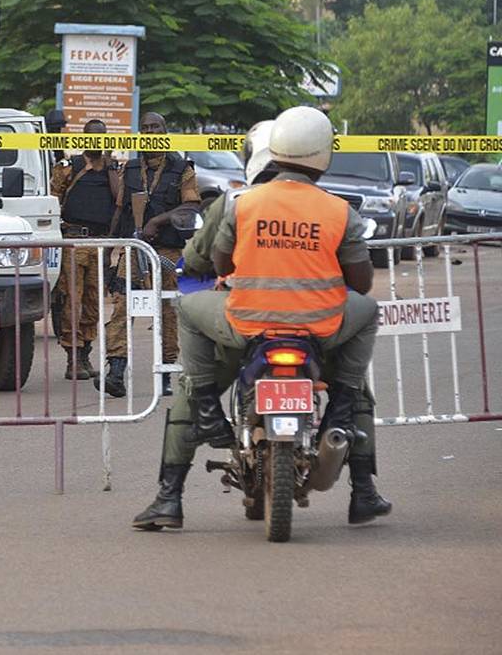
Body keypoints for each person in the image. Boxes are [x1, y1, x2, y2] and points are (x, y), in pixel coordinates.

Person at [133, 107, 392, 530]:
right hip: (318, 332)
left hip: (242, 330)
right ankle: (363, 490)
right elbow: (360, 283)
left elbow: (207, 260)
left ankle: (170, 496)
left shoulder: (238, 203)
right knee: (355, 388)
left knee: (188, 392)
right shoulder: (337, 209)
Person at [101, 112, 200, 397]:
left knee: (167, 311)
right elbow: (120, 209)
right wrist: (110, 248)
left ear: (165, 131)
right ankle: (116, 370)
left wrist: (158, 221)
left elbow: (191, 207)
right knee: (122, 305)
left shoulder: (182, 169)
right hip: (134, 250)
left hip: (167, 250)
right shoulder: (131, 169)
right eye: (144, 128)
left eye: (155, 127)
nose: (149, 132)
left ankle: (167, 371)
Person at [50, 118, 121, 380]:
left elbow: (119, 199)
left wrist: (111, 165)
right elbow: (52, 201)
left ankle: (85, 353)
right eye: (92, 136)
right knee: (72, 301)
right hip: (74, 242)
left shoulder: (112, 170)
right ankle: (72, 358)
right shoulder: (69, 167)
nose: (96, 142)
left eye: (101, 137)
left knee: (93, 302)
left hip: (100, 243)